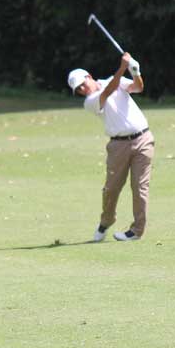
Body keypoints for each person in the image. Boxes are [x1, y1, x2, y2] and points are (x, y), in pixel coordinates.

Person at [68, 53, 155, 242]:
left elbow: (138, 87)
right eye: (78, 89)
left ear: (89, 77)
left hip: (143, 139)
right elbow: (107, 93)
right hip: (118, 146)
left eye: (82, 84)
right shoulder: (90, 102)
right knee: (111, 189)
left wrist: (135, 72)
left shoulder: (112, 80)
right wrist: (123, 67)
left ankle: (137, 230)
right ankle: (106, 221)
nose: (82, 89)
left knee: (140, 187)